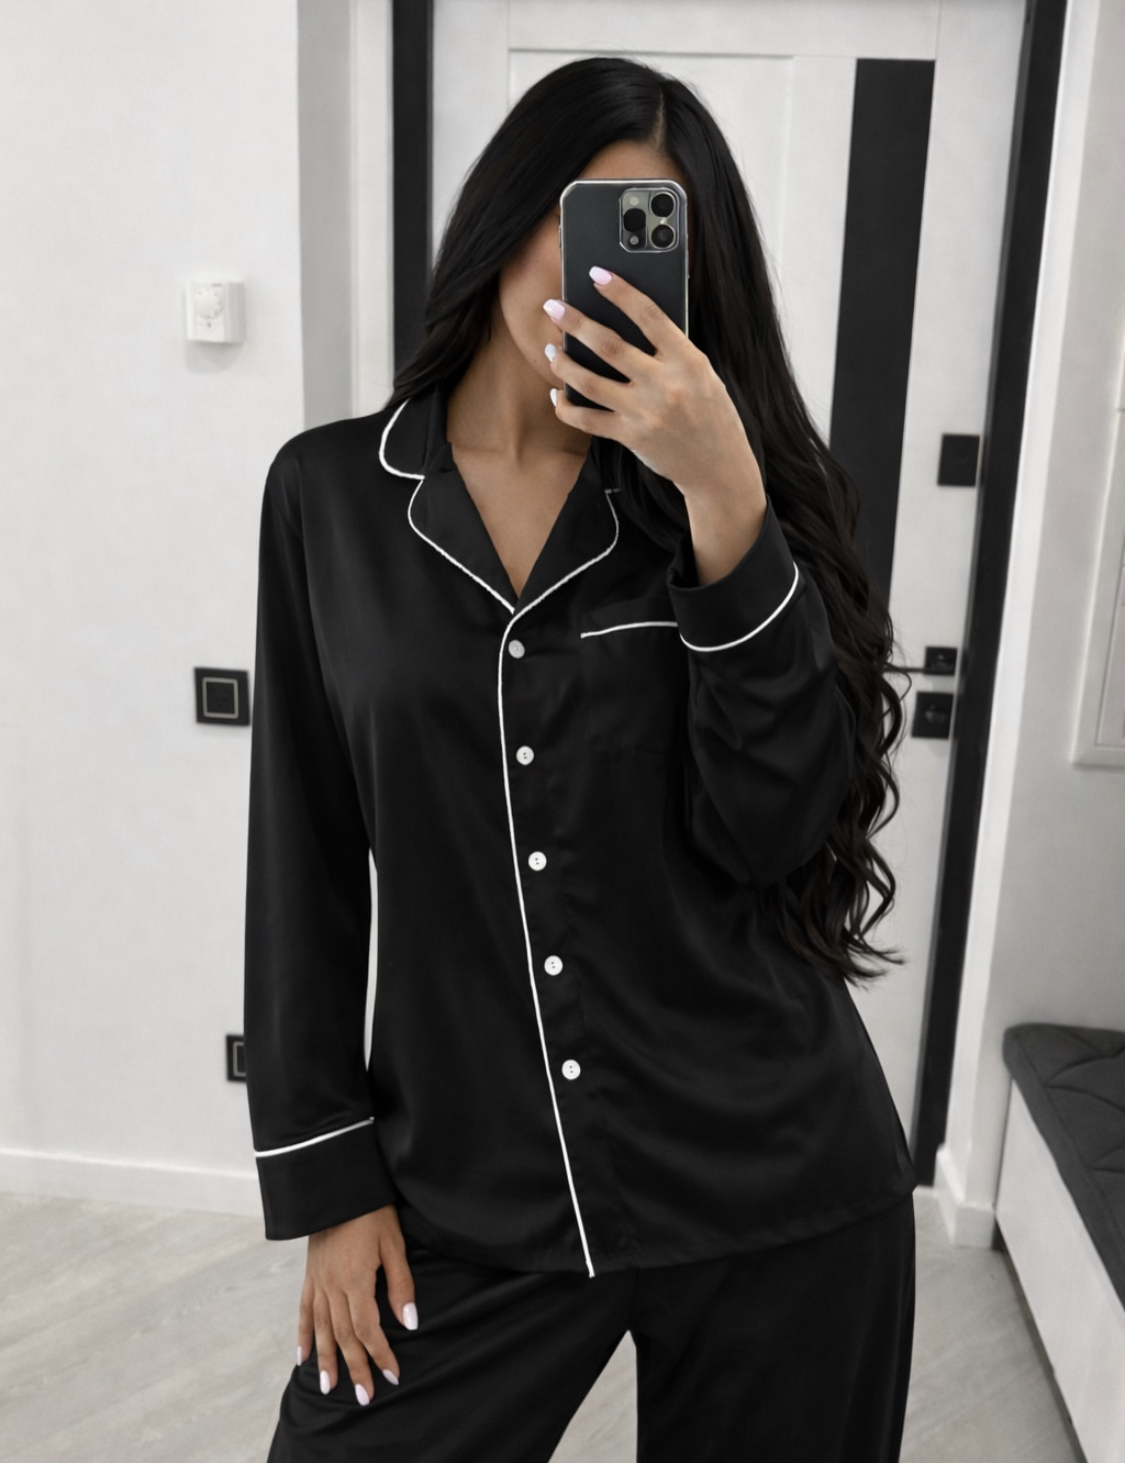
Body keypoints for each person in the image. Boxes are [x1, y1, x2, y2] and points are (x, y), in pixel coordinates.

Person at [244, 54, 916, 1463]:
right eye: (580, 219)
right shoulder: (329, 497)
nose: (597, 272)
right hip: (473, 1185)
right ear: (504, 218)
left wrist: (725, 502)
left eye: (648, 239)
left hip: (772, 1182)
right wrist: (329, 1180)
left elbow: (779, 831)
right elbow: (302, 857)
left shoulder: (731, 496)